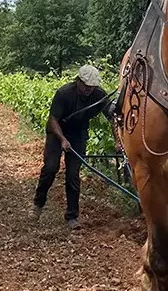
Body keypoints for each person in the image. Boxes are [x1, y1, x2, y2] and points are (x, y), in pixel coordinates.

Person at [31, 64, 117, 228]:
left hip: (78, 135)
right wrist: (62, 139)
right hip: (57, 133)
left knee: (73, 175)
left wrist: (117, 141)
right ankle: (38, 204)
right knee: (50, 169)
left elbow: (112, 118)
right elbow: (53, 120)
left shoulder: (98, 94)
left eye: (92, 86)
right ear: (78, 81)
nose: (88, 89)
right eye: (86, 85)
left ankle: (72, 217)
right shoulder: (64, 93)